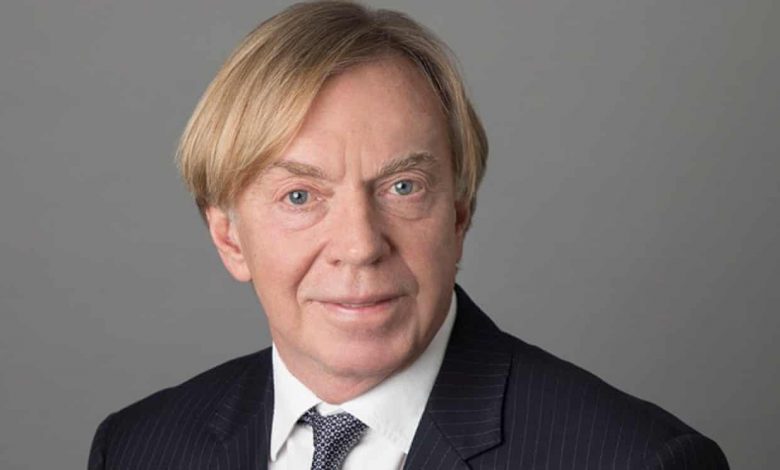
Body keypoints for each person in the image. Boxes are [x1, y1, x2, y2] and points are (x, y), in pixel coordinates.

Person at [88, 2, 729, 468]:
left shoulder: (636, 458)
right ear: (229, 238)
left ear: (459, 214)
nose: (361, 245)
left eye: (402, 186)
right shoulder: (138, 448)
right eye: (300, 196)